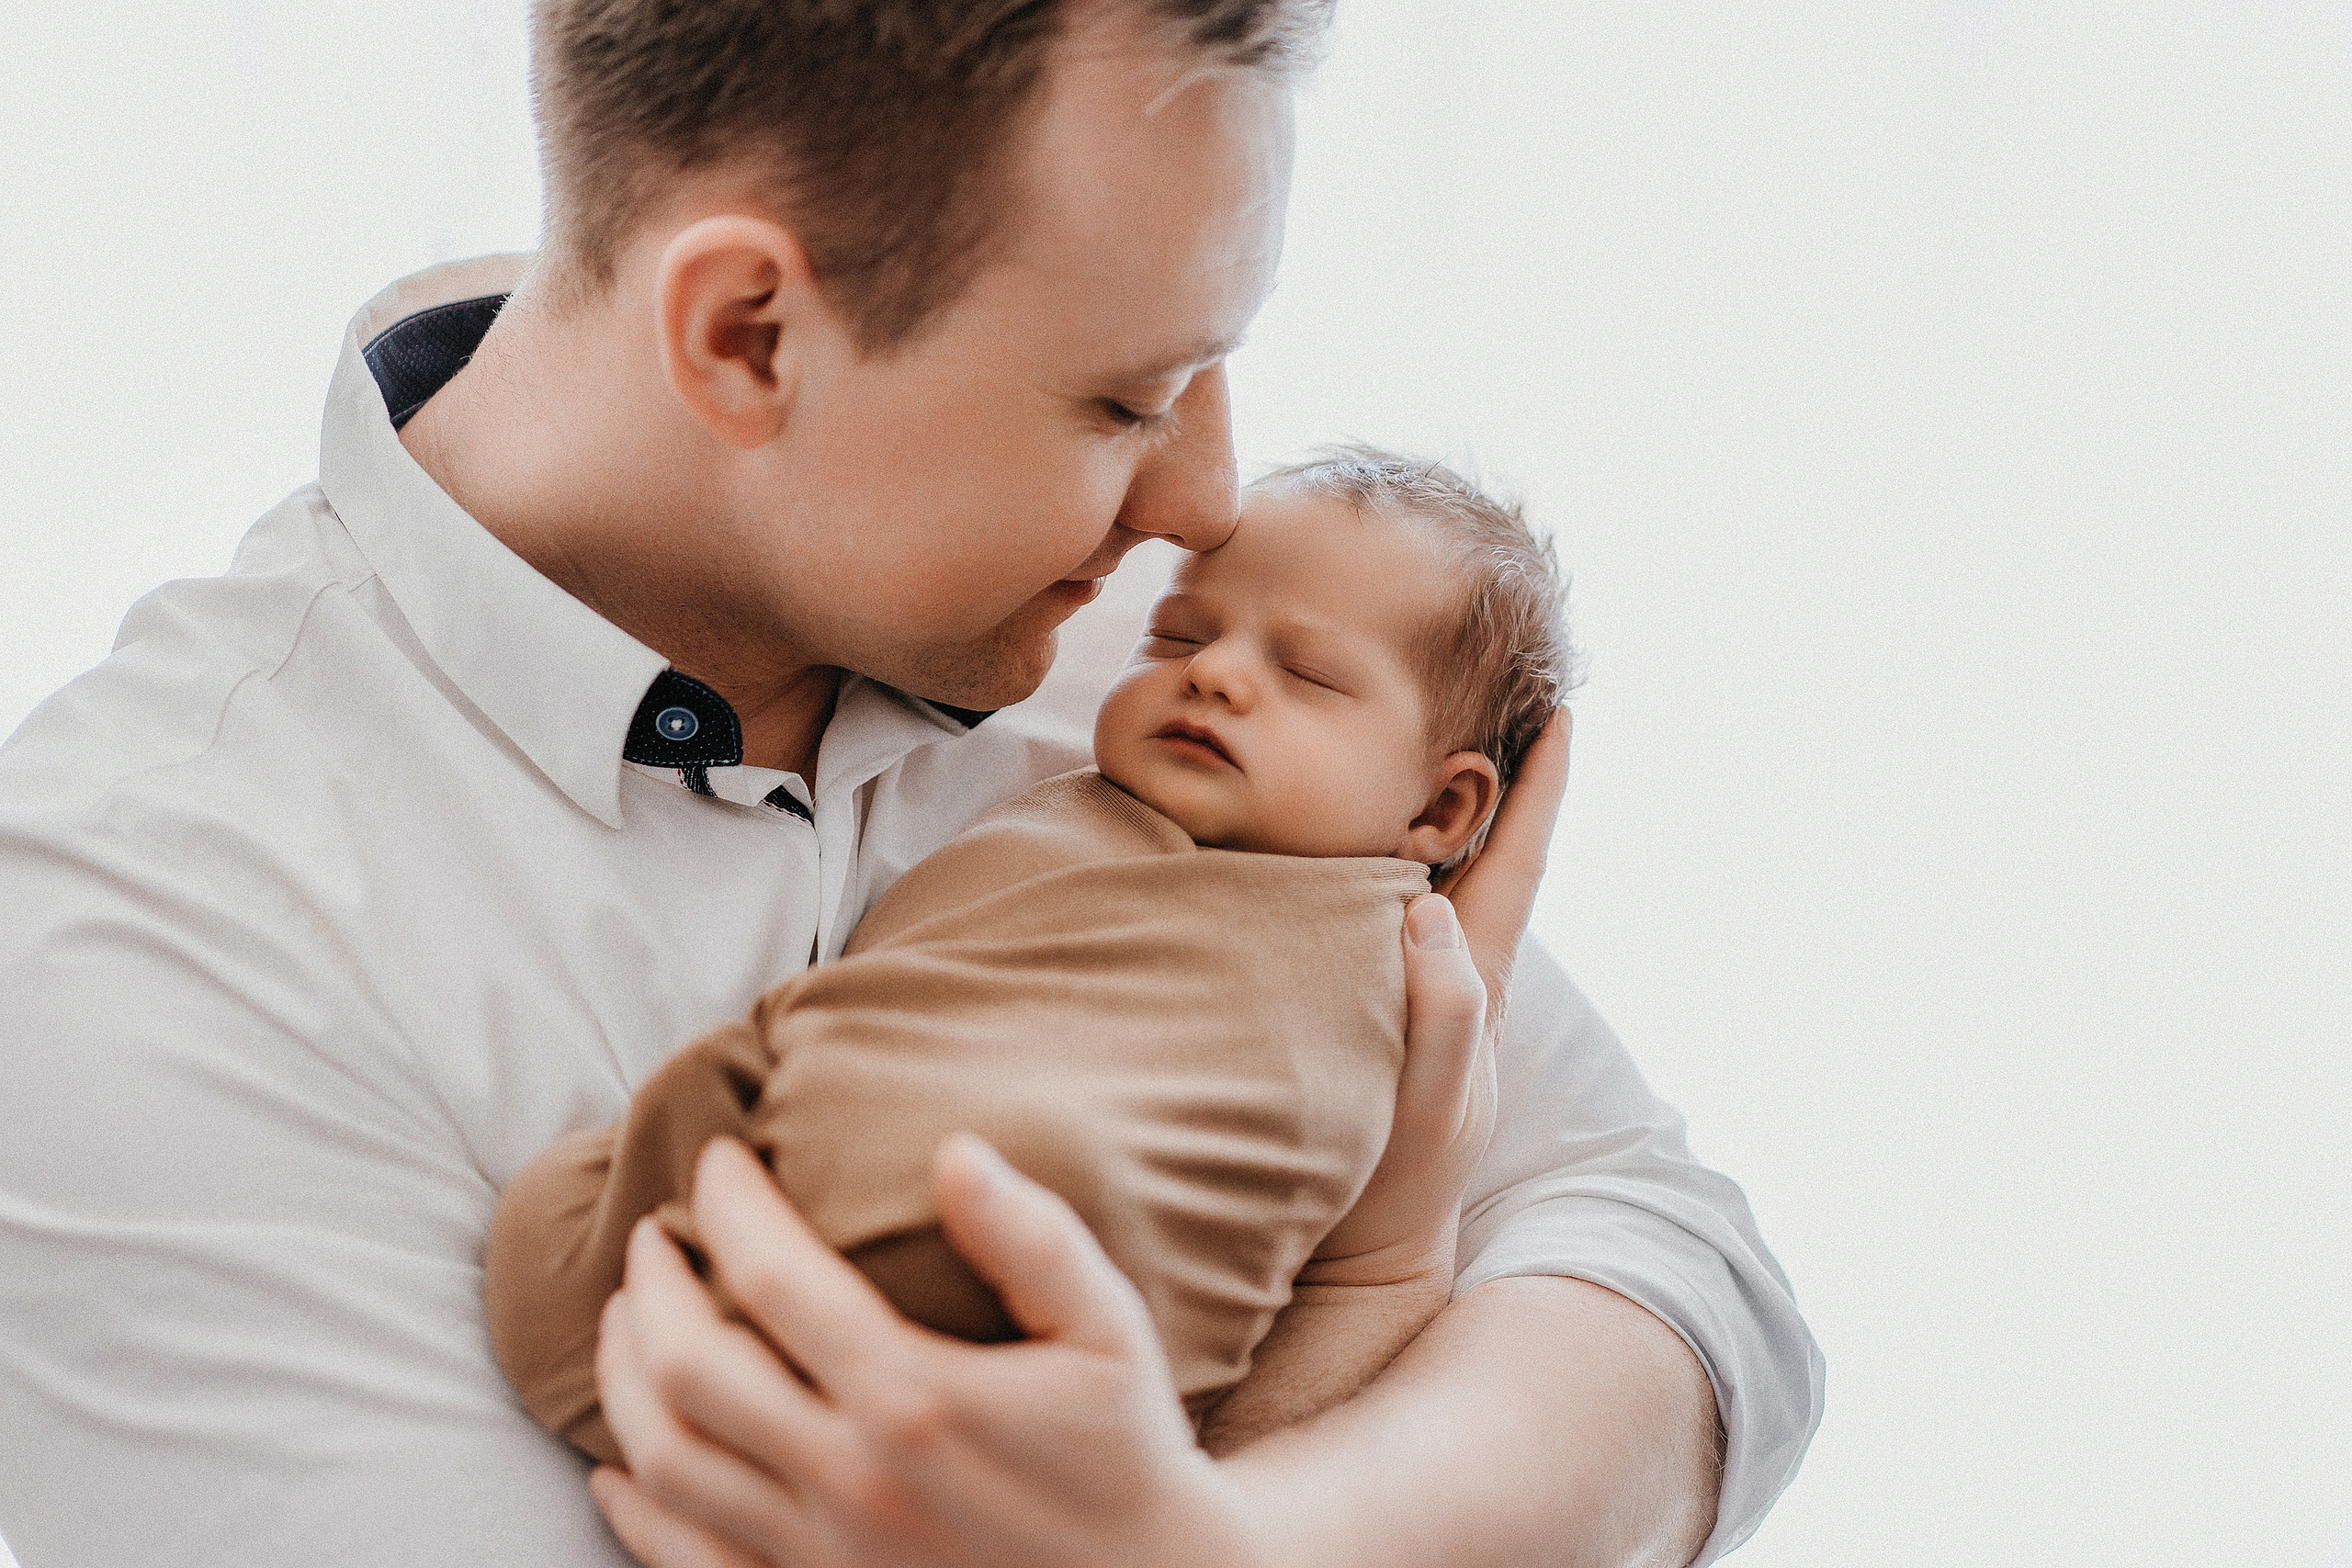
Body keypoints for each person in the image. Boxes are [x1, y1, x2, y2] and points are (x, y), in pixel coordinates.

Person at [0, 2, 1823, 1565]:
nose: (1202, 500)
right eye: (1127, 400)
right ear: (747, 334)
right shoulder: (139, 960)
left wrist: (1243, 1535)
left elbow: (1685, 1288)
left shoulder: (1161, 641)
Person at [481, 450, 1569, 1467]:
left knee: (1040, 1165)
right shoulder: (1054, 796)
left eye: (1308, 674)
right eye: (1177, 638)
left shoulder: (1401, 960)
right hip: (844, 1129)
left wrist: (1386, 1262)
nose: (1216, 675)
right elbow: (904, 987)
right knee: (555, 1222)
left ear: (1442, 809)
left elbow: (1628, 1220)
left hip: (1063, 1224)